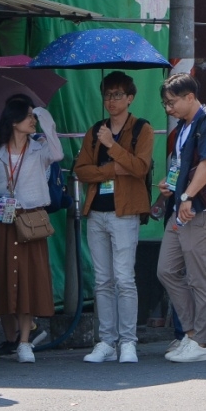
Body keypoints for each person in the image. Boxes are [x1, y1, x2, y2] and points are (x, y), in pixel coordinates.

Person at [72, 72, 153, 366]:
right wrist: (112, 170)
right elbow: (82, 170)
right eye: (107, 95)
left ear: (130, 98)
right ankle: (106, 341)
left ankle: (128, 341)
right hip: (96, 212)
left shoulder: (142, 128)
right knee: (102, 280)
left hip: (125, 212)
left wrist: (112, 146)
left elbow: (140, 167)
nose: (111, 100)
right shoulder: (96, 130)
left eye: (118, 95)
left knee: (124, 279)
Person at [157, 74, 206, 364]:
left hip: (200, 211)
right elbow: (183, 165)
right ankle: (191, 333)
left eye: (172, 102)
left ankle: (201, 342)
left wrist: (187, 195)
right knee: (166, 270)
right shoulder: (183, 126)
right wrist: (171, 185)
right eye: (165, 104)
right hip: (182, 209)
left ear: (190, 97)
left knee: (199, 278)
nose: (168, 108)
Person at [0, 94, 58, 364]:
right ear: (14, 121)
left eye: (32, 116)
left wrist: (43, 116)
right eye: (27, 116)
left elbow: (58, 153)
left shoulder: (39, 149)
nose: (32, 120)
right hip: (0, 221)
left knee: (28, 281)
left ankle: (25, 342)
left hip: (30, 221)